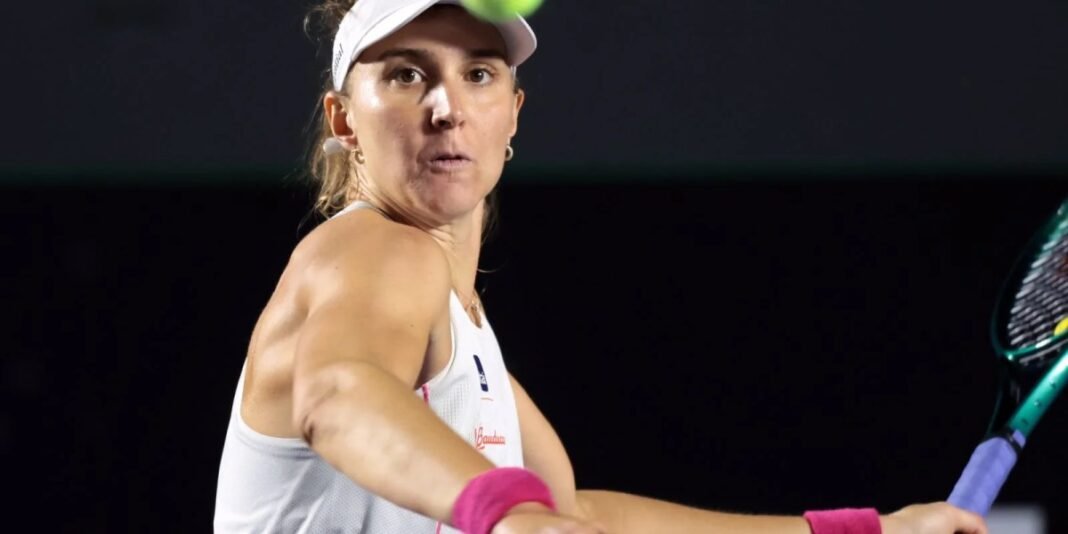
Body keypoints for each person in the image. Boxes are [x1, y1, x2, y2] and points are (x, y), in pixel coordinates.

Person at [213, 1, 989, 533]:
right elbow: (339, 394)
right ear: (344, 119)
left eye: (478, 74)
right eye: (406, 75)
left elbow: (579, 518)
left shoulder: (465, 340)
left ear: (512, 115)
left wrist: (864, 531)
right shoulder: (373, 249)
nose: (447, 108)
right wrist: (508, 512)